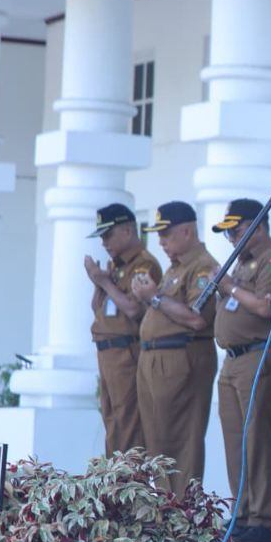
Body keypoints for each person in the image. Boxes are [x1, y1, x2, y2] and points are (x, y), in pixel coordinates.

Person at [210, 199, 271, 542]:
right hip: (231, 359)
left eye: (237, 229)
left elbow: (263, 307)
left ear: (258, 228)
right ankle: (242, 511)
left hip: (259, 354)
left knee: (256, 435)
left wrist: (228, 287)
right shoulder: (242, 265)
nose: (231, 237)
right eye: (228, 231)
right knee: (235, 440)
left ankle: (262, 517)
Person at [129, 201, 219, 493]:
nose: (161, 241)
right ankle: (166, 505)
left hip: (182, 357)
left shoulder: (202, 266)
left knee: (182, 439)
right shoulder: (175, 267)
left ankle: (183, 509)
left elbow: (196, 318)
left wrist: (153, 297)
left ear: (187, 230)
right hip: (156, 359)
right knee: (158, 439)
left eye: (166, 234)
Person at [84, 203, 162, 457]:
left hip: (126, 351)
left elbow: (133, 309)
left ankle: (128, 484)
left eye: (108, 235)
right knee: (111, 419)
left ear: (127, 231)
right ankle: (114, 484)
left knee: (127, 421)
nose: (104, 243)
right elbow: (97, 307)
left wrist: (104, 281)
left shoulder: (143, 264)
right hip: (107, 352)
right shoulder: (116, 266)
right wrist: (100, 283)